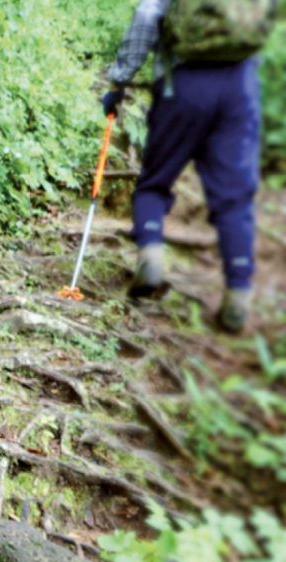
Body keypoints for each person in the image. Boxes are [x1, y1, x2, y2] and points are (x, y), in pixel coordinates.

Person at [102, 0, 268, 333]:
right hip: (240, 84)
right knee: (234, 196)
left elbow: (148, 13)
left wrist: (120, 79)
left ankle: (150, 257)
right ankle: (238, 291)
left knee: (154, 181)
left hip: (183, 81)